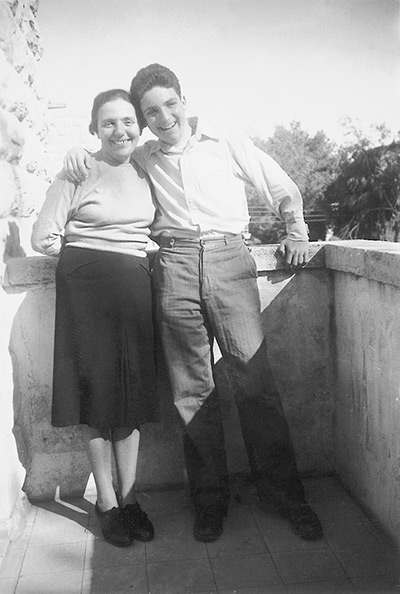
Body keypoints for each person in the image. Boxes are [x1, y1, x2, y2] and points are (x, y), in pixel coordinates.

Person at [64, 64, 323, 543]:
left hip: (230, 259)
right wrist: (77, 151)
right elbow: (104, 153)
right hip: (176, 265)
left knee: (254, 379)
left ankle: (287, 497)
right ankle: (209, 502)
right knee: (191, 391)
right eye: (151, 113)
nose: (163, 118)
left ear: (184, 100)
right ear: (143, 120)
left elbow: (281, 185)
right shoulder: (142, 155)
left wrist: (296, 232)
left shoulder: (224, 142)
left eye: (169, 105)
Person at [31, 89, 159, 547]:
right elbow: (43, 236)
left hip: (134, 292)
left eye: (128, 121)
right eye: (108, 123)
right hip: (86, 291)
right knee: (96, 399)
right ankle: (106, 502)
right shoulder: (78, 170)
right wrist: (89, 257)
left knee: (130, 399)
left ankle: (131, 498)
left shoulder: (145, 167)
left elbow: (151, 228)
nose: (120, 130)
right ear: (93, 129)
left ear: (138, 127)